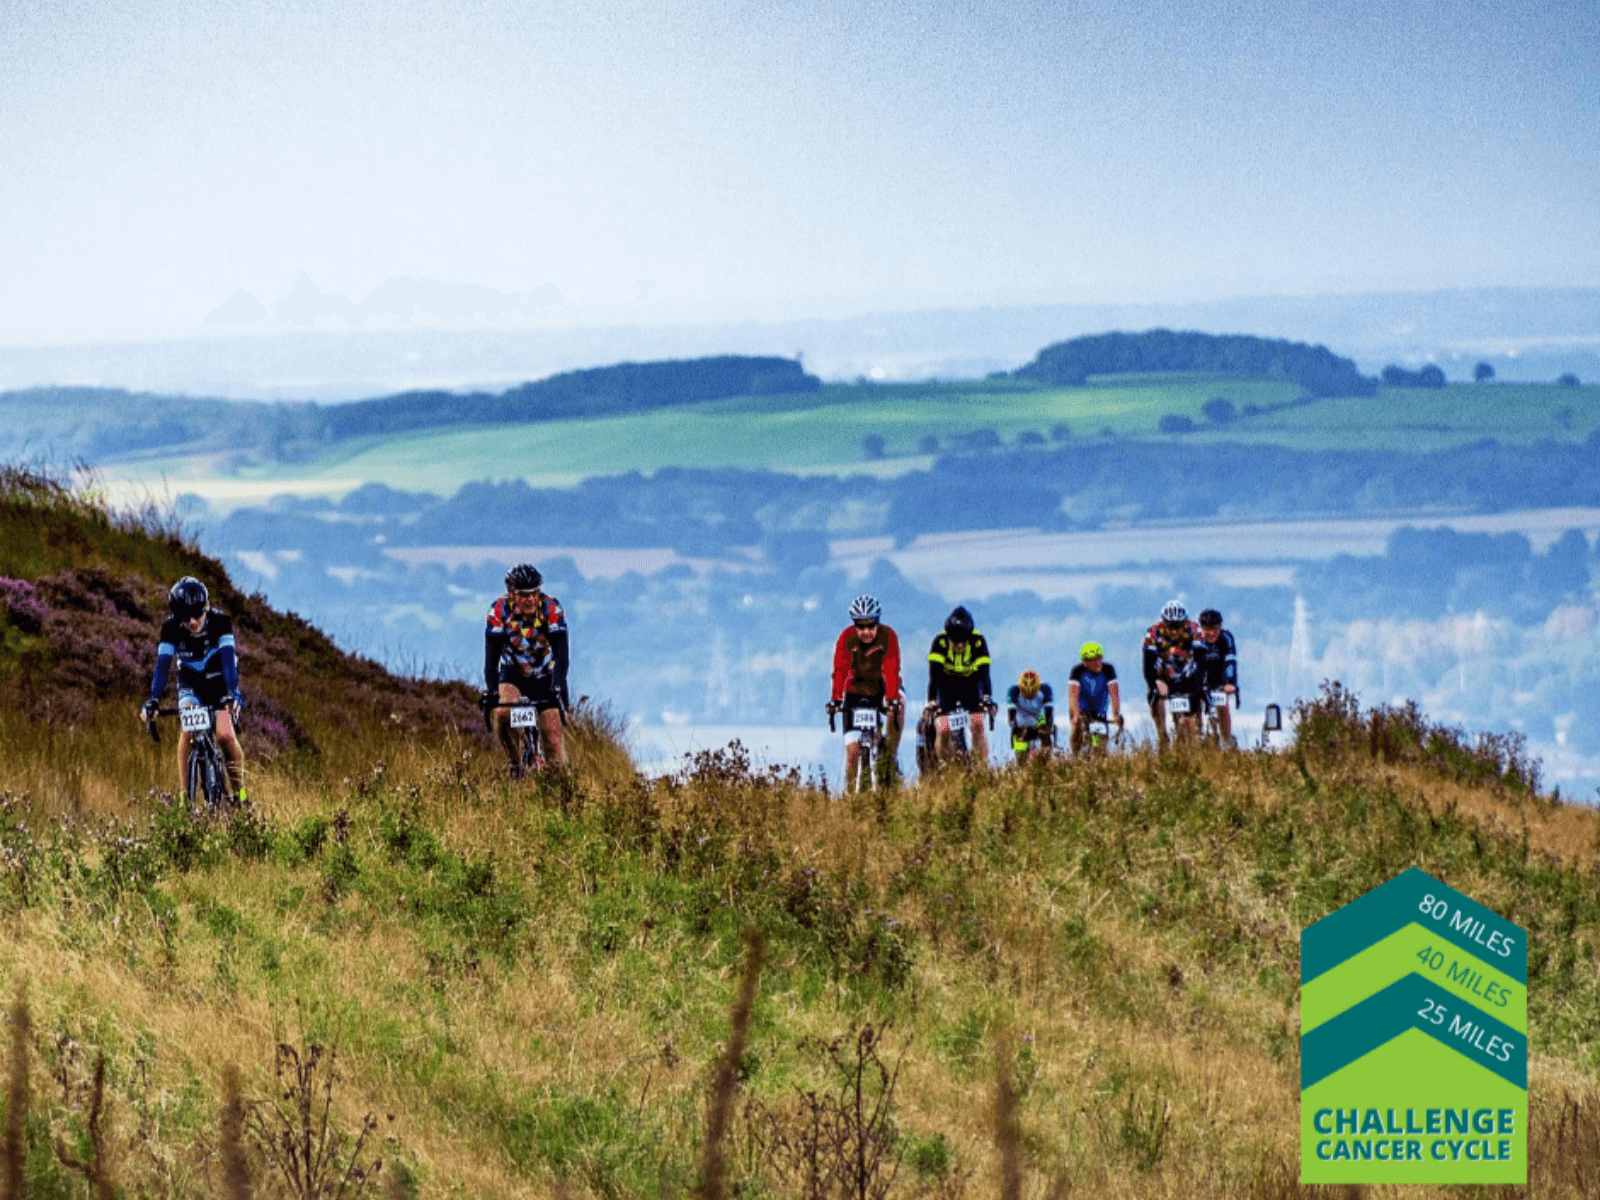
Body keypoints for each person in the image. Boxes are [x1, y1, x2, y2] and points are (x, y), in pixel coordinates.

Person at [140, 576, 247, 803]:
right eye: (186, 618)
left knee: (225, 735)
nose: (193, 622)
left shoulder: (220, 622)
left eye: (197, 614)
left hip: (220, 683)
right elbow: (162, 668)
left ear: (206, 607)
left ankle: (241, 794)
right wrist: (153, 700)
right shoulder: (170, 628)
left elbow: (228, 661)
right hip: (191, 683)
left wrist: (232, 694)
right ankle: (184, 799)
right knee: (188, 732)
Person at [483, 563, 569, 775]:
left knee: (552, 740)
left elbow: (562, 656)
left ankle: (562, 790)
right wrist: (492, 691)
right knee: (503, 713)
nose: (530, 599)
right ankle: (515, 766)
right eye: (523, 594)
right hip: (513, 672)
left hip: (545, 674)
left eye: (534, 593)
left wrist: (558, 684)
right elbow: (491, 660)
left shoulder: (551, 608)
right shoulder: (498, 611)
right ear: (511, 594)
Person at [827, 594, 903, 789]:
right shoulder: (846, 638)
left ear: (878, 623)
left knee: (899, 706)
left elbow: (891, 668)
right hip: (855, 691)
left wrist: (892, 698)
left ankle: (890, 757)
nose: (866, 631)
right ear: (854, 625)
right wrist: (836, 698)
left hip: (882, 688)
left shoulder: (888, 636)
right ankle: (851, 795)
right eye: (860, 626)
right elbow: (840, 669)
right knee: (852, 752)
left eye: (870, 626)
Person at [926, 606, 995, 764]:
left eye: (964, 640)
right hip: (946, 687)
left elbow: (984, 675)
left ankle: (981, 766)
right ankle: (945, 767)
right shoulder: (940, 642)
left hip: (970, 686)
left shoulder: (978, 642)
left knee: (977, 723)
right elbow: (934, 677)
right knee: (943, 728)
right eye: (956, 640)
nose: (960, 645)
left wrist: (986, 697)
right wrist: (931, 700)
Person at [1142, 599, 1204, 748]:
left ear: (1185, 623)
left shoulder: (1195, 630)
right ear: (1163, 623)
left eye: (1178, 626)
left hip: (1188, 674)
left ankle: (1194, 736)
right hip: (1164, 674)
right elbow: (1147, 666)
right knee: (1156, 694)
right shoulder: (1152, 633)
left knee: (1194, 711)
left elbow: (1202, 664)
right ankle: (1162, 736)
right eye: (1170, 626)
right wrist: (1154, 685)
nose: (1174, 631)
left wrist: (1198, 689)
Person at [1067, 642, 1123, 753]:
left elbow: (1114, 694)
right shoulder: (1077, 671)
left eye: (1099, 659)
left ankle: (1096, 761)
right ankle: (1076, 754)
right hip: (1081, 710)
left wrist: (1116, 714)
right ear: (1084, 662)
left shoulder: (1108, 670)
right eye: (1092, 661)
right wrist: (1076, 716)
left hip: (1099, 711)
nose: (1097, 663)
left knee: (1098, 746)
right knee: (1077, 726)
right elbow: (1073, 696)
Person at [1195, 608, 1239, 747]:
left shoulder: (1226, 638)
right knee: (1195, 706)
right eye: (1208, 629)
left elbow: (1230, 662)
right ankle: (1196, 740)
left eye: (1215, 629)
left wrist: (1230, 683)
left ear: (1220, 627)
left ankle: (1226, 742)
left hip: (1219, 676)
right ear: (1202, 628)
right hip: (1200, 675)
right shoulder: (1196, 641)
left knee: (1222, 704)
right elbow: (1193, 667)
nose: (1212, 633)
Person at [1006, 670, 1055, 760]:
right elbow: (1011, 718)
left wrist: (1048, 727)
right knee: (1021, 753)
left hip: (1039, 724)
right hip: (1021, 725)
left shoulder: (1045, 690)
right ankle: (1021, 760)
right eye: (1026, 693)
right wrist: (1015, 728)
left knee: (1046, 739)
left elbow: (1049, 713)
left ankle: (1047, 759)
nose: (1030, 694)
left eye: (1033, 693)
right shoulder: (1014, 691)